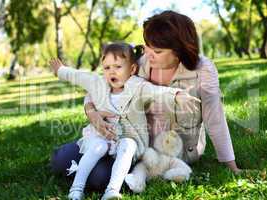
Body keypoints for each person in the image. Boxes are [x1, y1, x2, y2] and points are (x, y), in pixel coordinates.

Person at [50, 10, 241, 192]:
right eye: (147, 45)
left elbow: (215, 119)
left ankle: (101, 174)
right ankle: (79, 161)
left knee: (99, 177)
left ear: (179, 51)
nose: (148, 54)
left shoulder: (203, 70)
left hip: (165, 153)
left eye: (156, 50)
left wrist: (231, 166)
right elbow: (100, 87)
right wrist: (92, 113)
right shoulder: (139, 63)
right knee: (62, 159)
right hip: (125, 139)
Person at [49, 42, 198, 200]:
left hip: (127, 143)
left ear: (132, 69)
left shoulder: (138, 87)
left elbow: (157, 92)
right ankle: (76, 190)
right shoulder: (98, 84)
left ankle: (112, 190)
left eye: (118, 67)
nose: (111, 72)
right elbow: (79, 76)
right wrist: (61, 70)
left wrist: (176, 95)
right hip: (101, 138)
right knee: (98, 146)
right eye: (107, 68)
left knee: (128, 144)